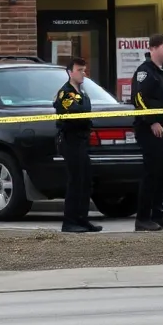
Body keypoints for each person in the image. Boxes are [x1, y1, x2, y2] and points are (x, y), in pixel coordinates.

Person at [129, 34, 163, 232]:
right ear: (153, 49)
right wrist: (152, 121)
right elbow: (139, 98)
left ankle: (157, 214)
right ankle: (143, 217)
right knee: (152, 173)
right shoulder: (145, 72)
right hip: (150, 129)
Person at [54, 57, 101, 234]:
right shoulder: (65, 93)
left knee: (85, 181)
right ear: (69, 72)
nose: (83, 73)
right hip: (70, 140)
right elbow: (75, 112)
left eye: (84, 70)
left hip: (82, 140)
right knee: (75, 182)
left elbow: (84, 111)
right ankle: (70, 221)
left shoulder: (82, 92)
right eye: (79, 70)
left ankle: (82, 219)